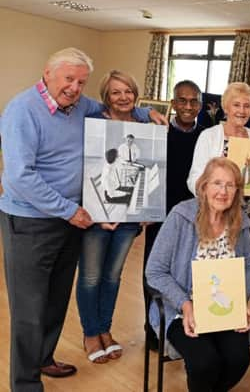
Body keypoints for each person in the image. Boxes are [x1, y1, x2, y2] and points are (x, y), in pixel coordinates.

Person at [0, 47, 164, 391]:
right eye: (68, 79)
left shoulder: (81, 106)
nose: (74, 87)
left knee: (56, 299)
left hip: (70, 221)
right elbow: (19, 177)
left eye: (81, 81)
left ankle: (44, 358)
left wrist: (148, 112)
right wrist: (69, 209)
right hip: (30, 222)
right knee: (29, 309)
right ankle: (25, 383)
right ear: (48, 73)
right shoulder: (21, 111)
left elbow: (120, 106)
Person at [146, 157, 250, 392]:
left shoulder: (240, 221)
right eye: (217, 183)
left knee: (239, 360)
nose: (223, 191)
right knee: (204, 363)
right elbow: (155, 270)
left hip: (224, 308)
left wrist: (239, 300)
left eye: (230, 185)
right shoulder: (181, 216)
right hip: (183, 311)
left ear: (237, 190)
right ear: (204, 186)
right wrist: (185, 305)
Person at [76, 70, 148, 364]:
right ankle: (90, 333)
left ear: (135, 94)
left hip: (129, 217)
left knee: (113, 276)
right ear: (106, 96)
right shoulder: (94, 124)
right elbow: (86, 168)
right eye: (116, 92)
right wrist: (92, 210)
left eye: (128, 91)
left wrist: (148, 208)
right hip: (95, 214)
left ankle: (105, 329)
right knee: (91, 276)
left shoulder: (144, 125)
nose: (123, 97)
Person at [143, 79, 205, 349]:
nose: (188, 106)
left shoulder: (207, 136)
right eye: (182, 100)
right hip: (160, 215)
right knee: (155, 271)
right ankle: (153, 329)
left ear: (200, 105)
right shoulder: (158, 132)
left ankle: (186, 326)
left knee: (189, 273)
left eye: (193, 101)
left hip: (195, 218)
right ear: (173, 103)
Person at [187, 82, 250, 229]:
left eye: (247, 106)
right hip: (215, 213)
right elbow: (195, 177)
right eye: (236, 105)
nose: (242, 110)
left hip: (247, 216)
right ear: (226, 107)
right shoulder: (209, 136)